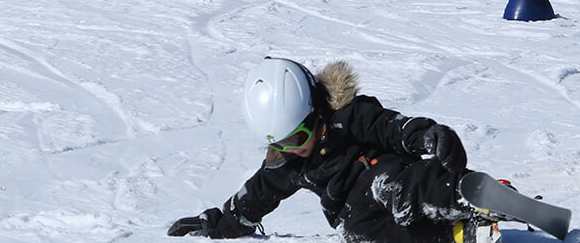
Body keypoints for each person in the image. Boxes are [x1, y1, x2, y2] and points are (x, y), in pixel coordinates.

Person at [167, 58, 497, 243]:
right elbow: (257, 195)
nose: (292, 150)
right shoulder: (289, 162)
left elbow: (392, 127)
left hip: (385, 173)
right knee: (358, 234)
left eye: (298, 138)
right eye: (280, 145)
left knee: (395, 191)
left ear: (316, 114)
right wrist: (220, 222)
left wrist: (427, 135)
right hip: (352, 210)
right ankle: (459, 234)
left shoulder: (348, 117)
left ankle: (474, 197)